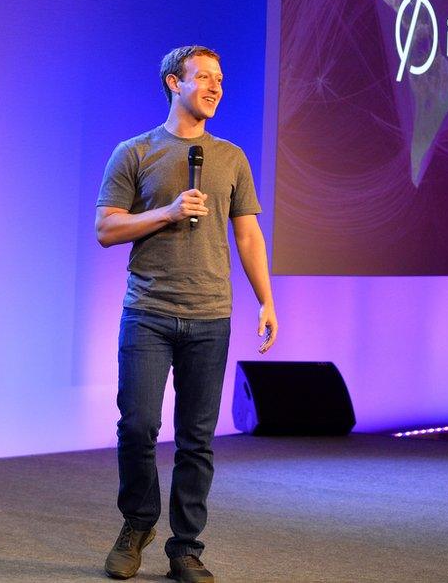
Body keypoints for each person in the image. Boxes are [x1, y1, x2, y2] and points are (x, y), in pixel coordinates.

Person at [96, 46, 278, 582]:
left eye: (220, 78)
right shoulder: (134, 152)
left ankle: (185, 548)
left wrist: (266, 299)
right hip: (148, 311)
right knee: (138, 426)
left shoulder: (232, 158)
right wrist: (168, 213)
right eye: (204, 77)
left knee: (197, 439)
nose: (216, 86)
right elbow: (106, 229)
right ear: (174, 82)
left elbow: (247, 234)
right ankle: (137, 524)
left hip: (209, 316)